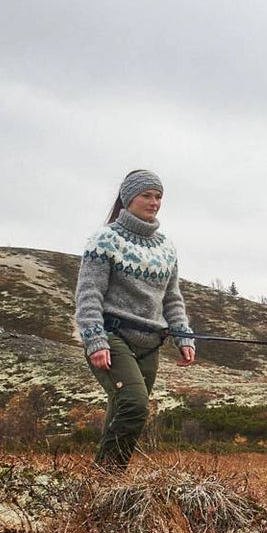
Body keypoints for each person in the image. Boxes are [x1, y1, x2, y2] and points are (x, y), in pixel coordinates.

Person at [75, 169, 196, 469]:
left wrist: (183, 335)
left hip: (150, 344)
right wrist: (94, 340)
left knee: (122, 408)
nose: (154, 202)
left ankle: (100, 486)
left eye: (158, 197)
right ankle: (106, 478)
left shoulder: (166, 247)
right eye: (147, 195)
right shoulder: (104, 240)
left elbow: (172, 297)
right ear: (129, 198)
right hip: (112, 337)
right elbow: (88, 295)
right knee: (133, 404)